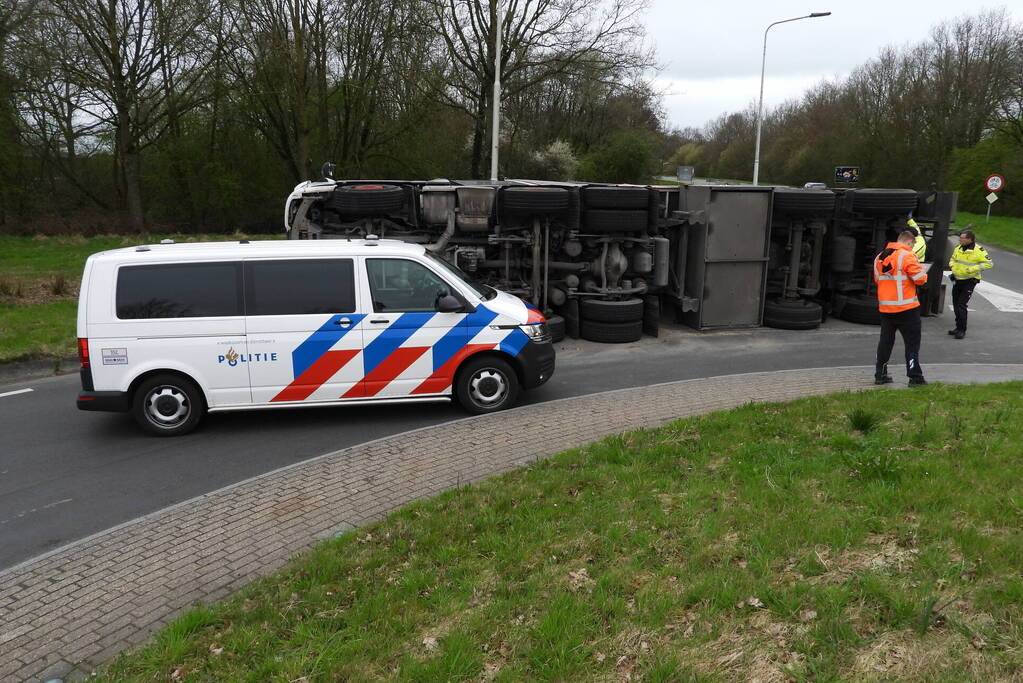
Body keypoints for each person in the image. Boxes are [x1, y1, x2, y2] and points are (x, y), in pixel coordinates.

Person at [873, 230, 928, 386]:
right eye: (913, 245)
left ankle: (880, 374)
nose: (912, 248)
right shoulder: (907, 256)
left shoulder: (880, 257)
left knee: (885, 342)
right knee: (912, 344)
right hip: (907, 308)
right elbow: (920, 279)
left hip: (886, 309)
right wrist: (924, 273)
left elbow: (878, 280)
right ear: (909, 242)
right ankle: (915, 377)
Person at [947, 229, 993, 339]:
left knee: (961, 305)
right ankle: (957, 327)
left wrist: (972, 269)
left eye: (962, 238)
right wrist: (952, 265)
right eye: (960, 238)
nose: (960, 240)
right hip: (957, 279)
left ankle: (962, 330)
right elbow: (952, 259)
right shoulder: (958, 248)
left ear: (970, 239)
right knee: (955, 304)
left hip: (969, 281)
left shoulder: (979, 251)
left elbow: (989, 264)